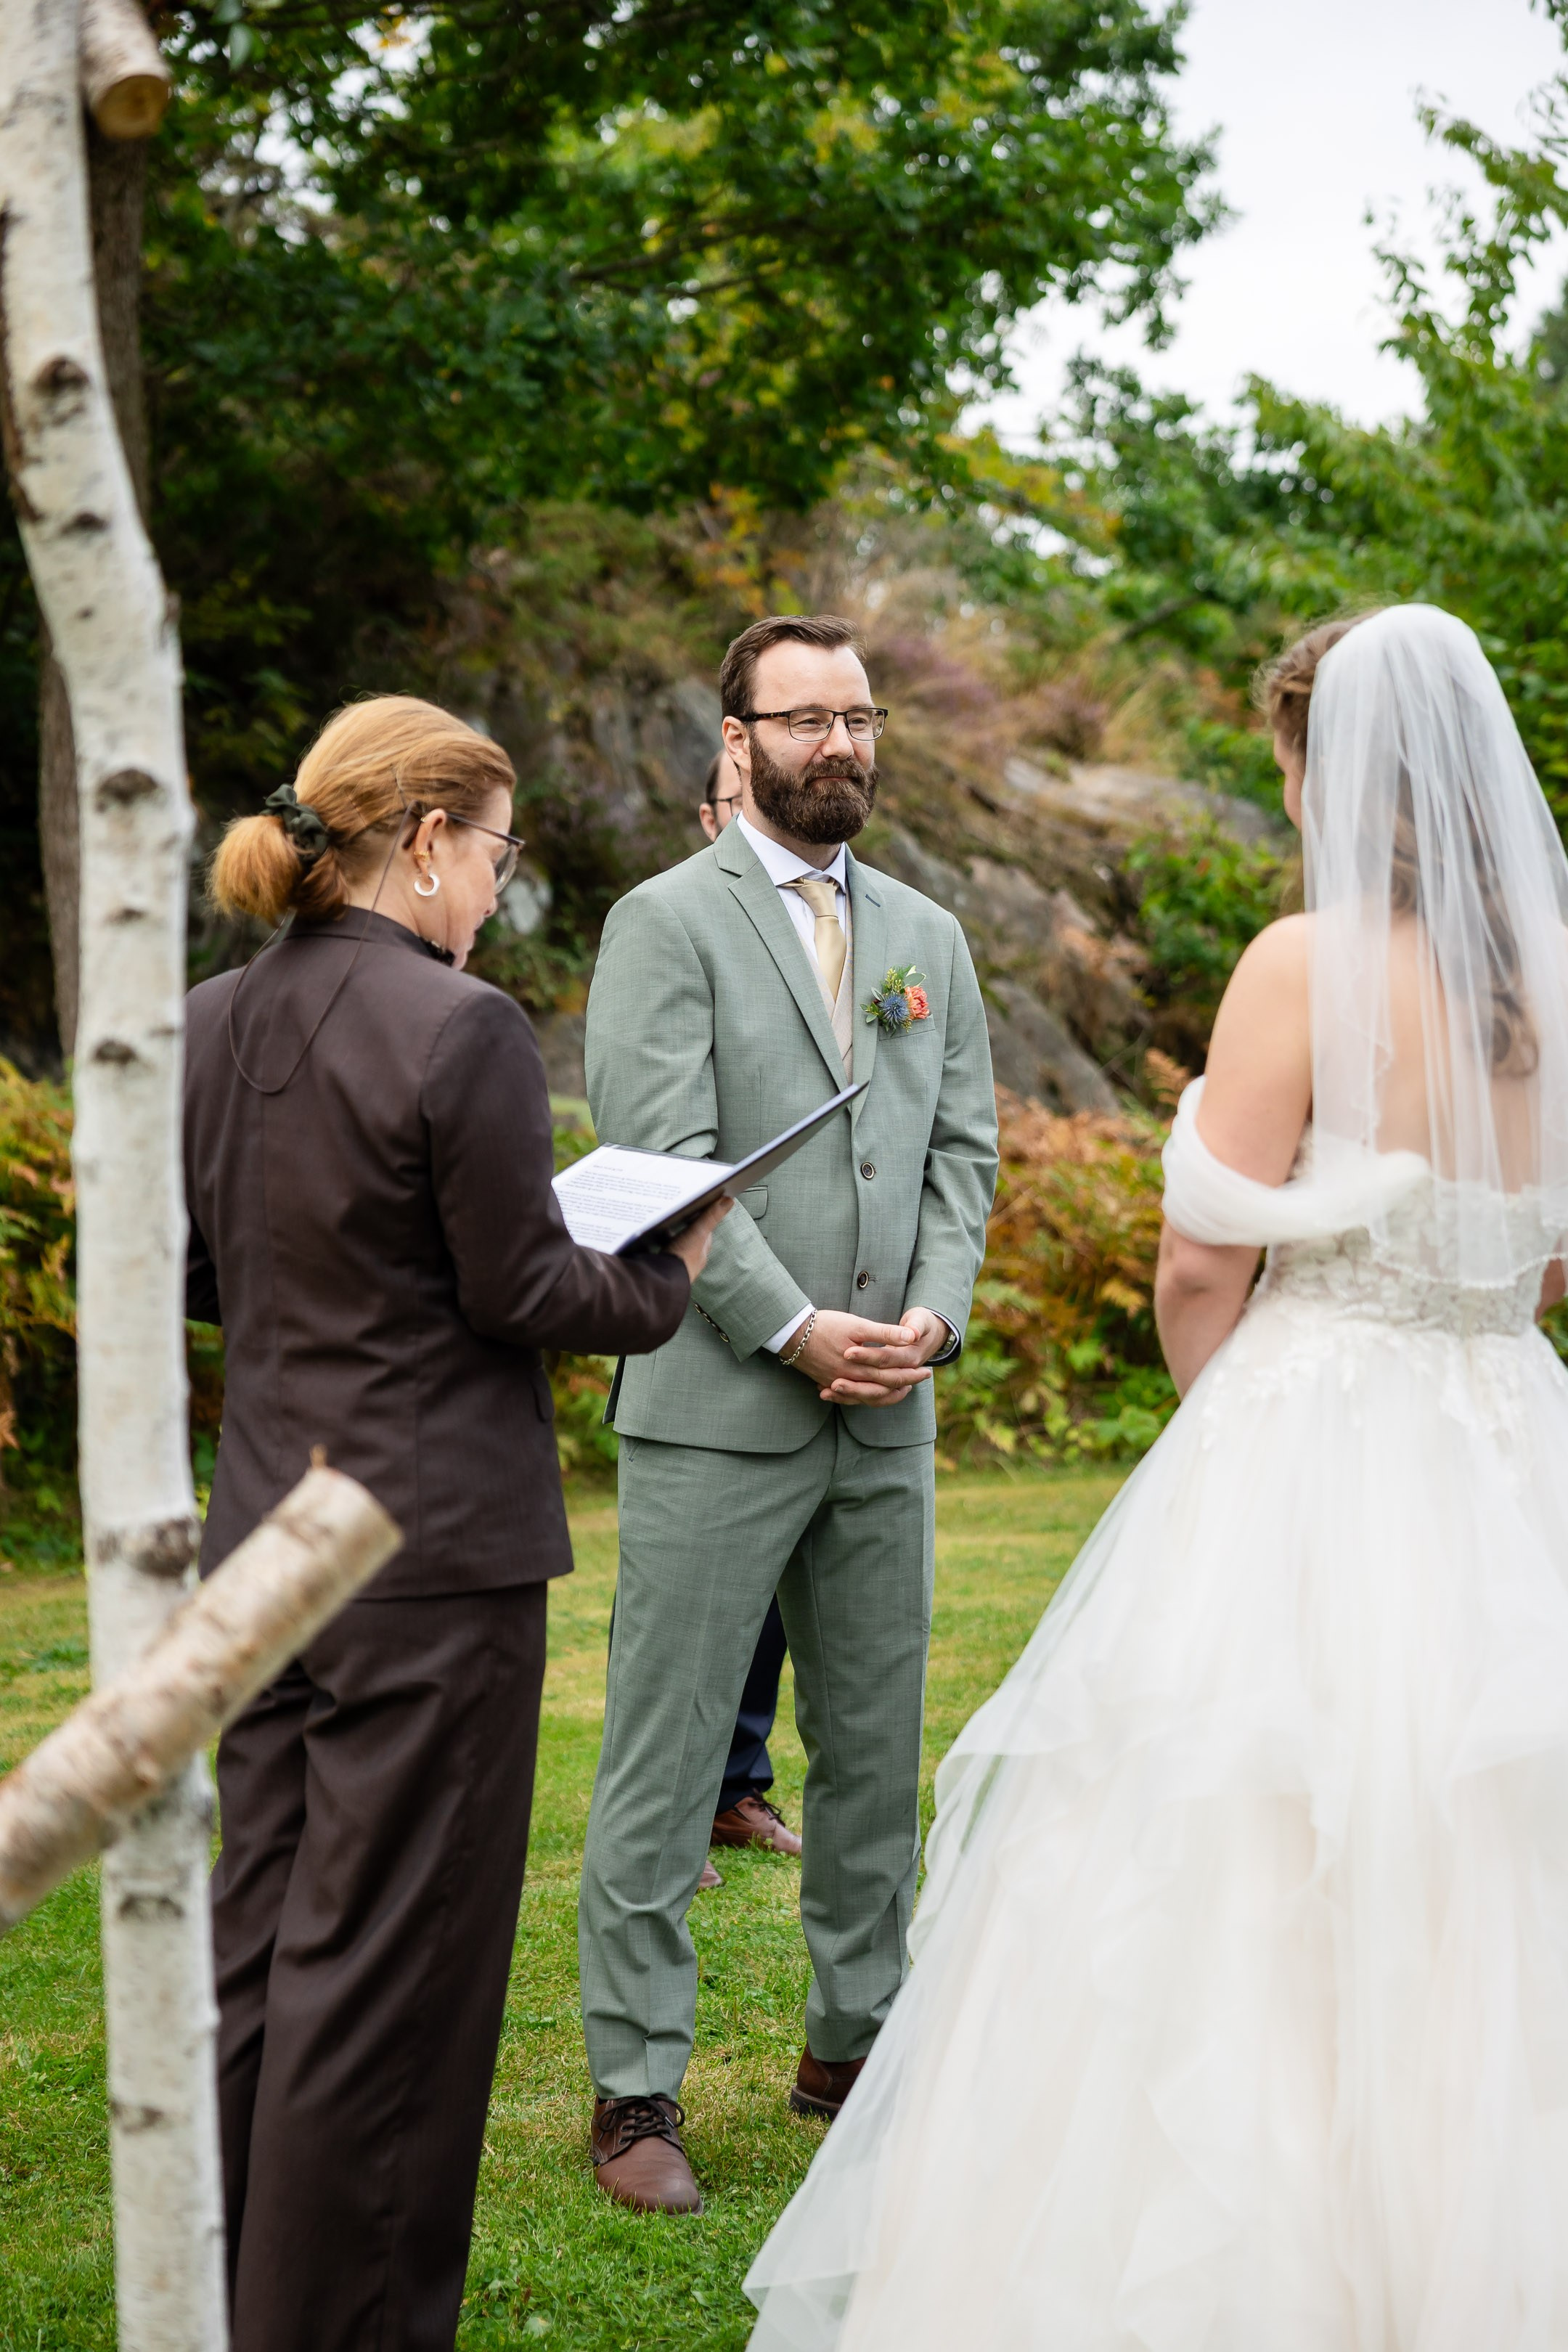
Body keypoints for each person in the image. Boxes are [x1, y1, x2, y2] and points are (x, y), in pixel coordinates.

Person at [745, 603, 1568, 2349]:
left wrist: (1238, 1429)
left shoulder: (1306, 964)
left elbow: (1201, 1264)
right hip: (1511, 1437)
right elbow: (1548, 1260)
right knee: (1493, 1848)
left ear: (1330, 771)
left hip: (1325, 1435)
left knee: (1247, 1851)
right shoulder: (1550, 978)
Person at [182, 695, 725, 2352]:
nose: (498, 886)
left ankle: (231, 2301)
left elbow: (206, 1271)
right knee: (397, 1974)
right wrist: (671, 1269)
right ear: (424, 841)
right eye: (496, 852)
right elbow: (525, 1288)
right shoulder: (459, 1026)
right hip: (429, 1560)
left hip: (262, 1535)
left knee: (264, 1943)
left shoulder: (208, 1018)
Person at [577, 613, 998, 2216]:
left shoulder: (927, 934)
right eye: (808, 718)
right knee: (668, 1751)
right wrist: (797, 1328)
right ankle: (634, 2087)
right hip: (716, 1408)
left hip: (889, 1412)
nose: (841, 744)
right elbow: (666, 1160)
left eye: (860, 717)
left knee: (873, 1754)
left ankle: (852, 2052)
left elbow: (961, 1151)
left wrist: (930, 1319)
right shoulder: (662, 922)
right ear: (738, 739)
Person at [694, 745, 804, 1878]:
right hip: (713, 1323)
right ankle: (679, 1802)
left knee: (774, 1603)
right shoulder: (677, 931)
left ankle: (736, 1787)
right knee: (687, 1601)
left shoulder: (847, 931)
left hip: (832, 1324)